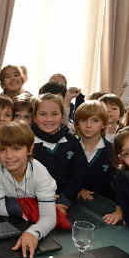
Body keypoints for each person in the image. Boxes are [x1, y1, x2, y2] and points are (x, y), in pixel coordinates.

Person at [0, 121, 57, 258]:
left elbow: (49, 218)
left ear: (30, 149)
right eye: (3, 149)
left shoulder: (40, 173)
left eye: (16, 149)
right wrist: (25, 206)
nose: (9, 156)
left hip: (32, 226)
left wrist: (33, 233)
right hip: (7, 226)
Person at [30, 94, 80, 224]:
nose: (49, 119)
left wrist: (64, 201)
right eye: (43, 114)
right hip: (33, 200)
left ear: (62, 116)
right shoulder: (26, 140)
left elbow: (78, 175)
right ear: (34, 117)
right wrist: (42, 197)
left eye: (54, 114)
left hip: (65, 201)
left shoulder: (71, 141)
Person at [72, 100, 122, 225]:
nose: (88, 125)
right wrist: (77, 190)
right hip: (73, 204)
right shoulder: (69, 147)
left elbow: (120, 184)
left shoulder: (112, 150)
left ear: (104, 124)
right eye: (84, 120)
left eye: (95, 120)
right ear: (77, 124)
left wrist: (120, 210)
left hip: (104, 208)